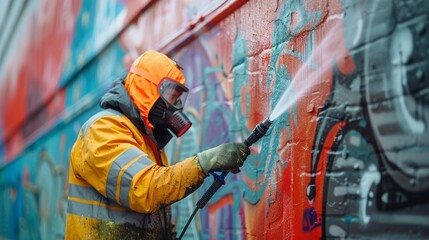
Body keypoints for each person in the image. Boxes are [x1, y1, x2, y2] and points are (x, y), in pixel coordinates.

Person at [65, 50, 250, 239]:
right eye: (172, 96)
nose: (176, 105)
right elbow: (144, 189)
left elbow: (152, 214)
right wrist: (204, 162)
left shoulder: (147, 143)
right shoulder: (102, 129)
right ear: (146, 88)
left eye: (179, 98)